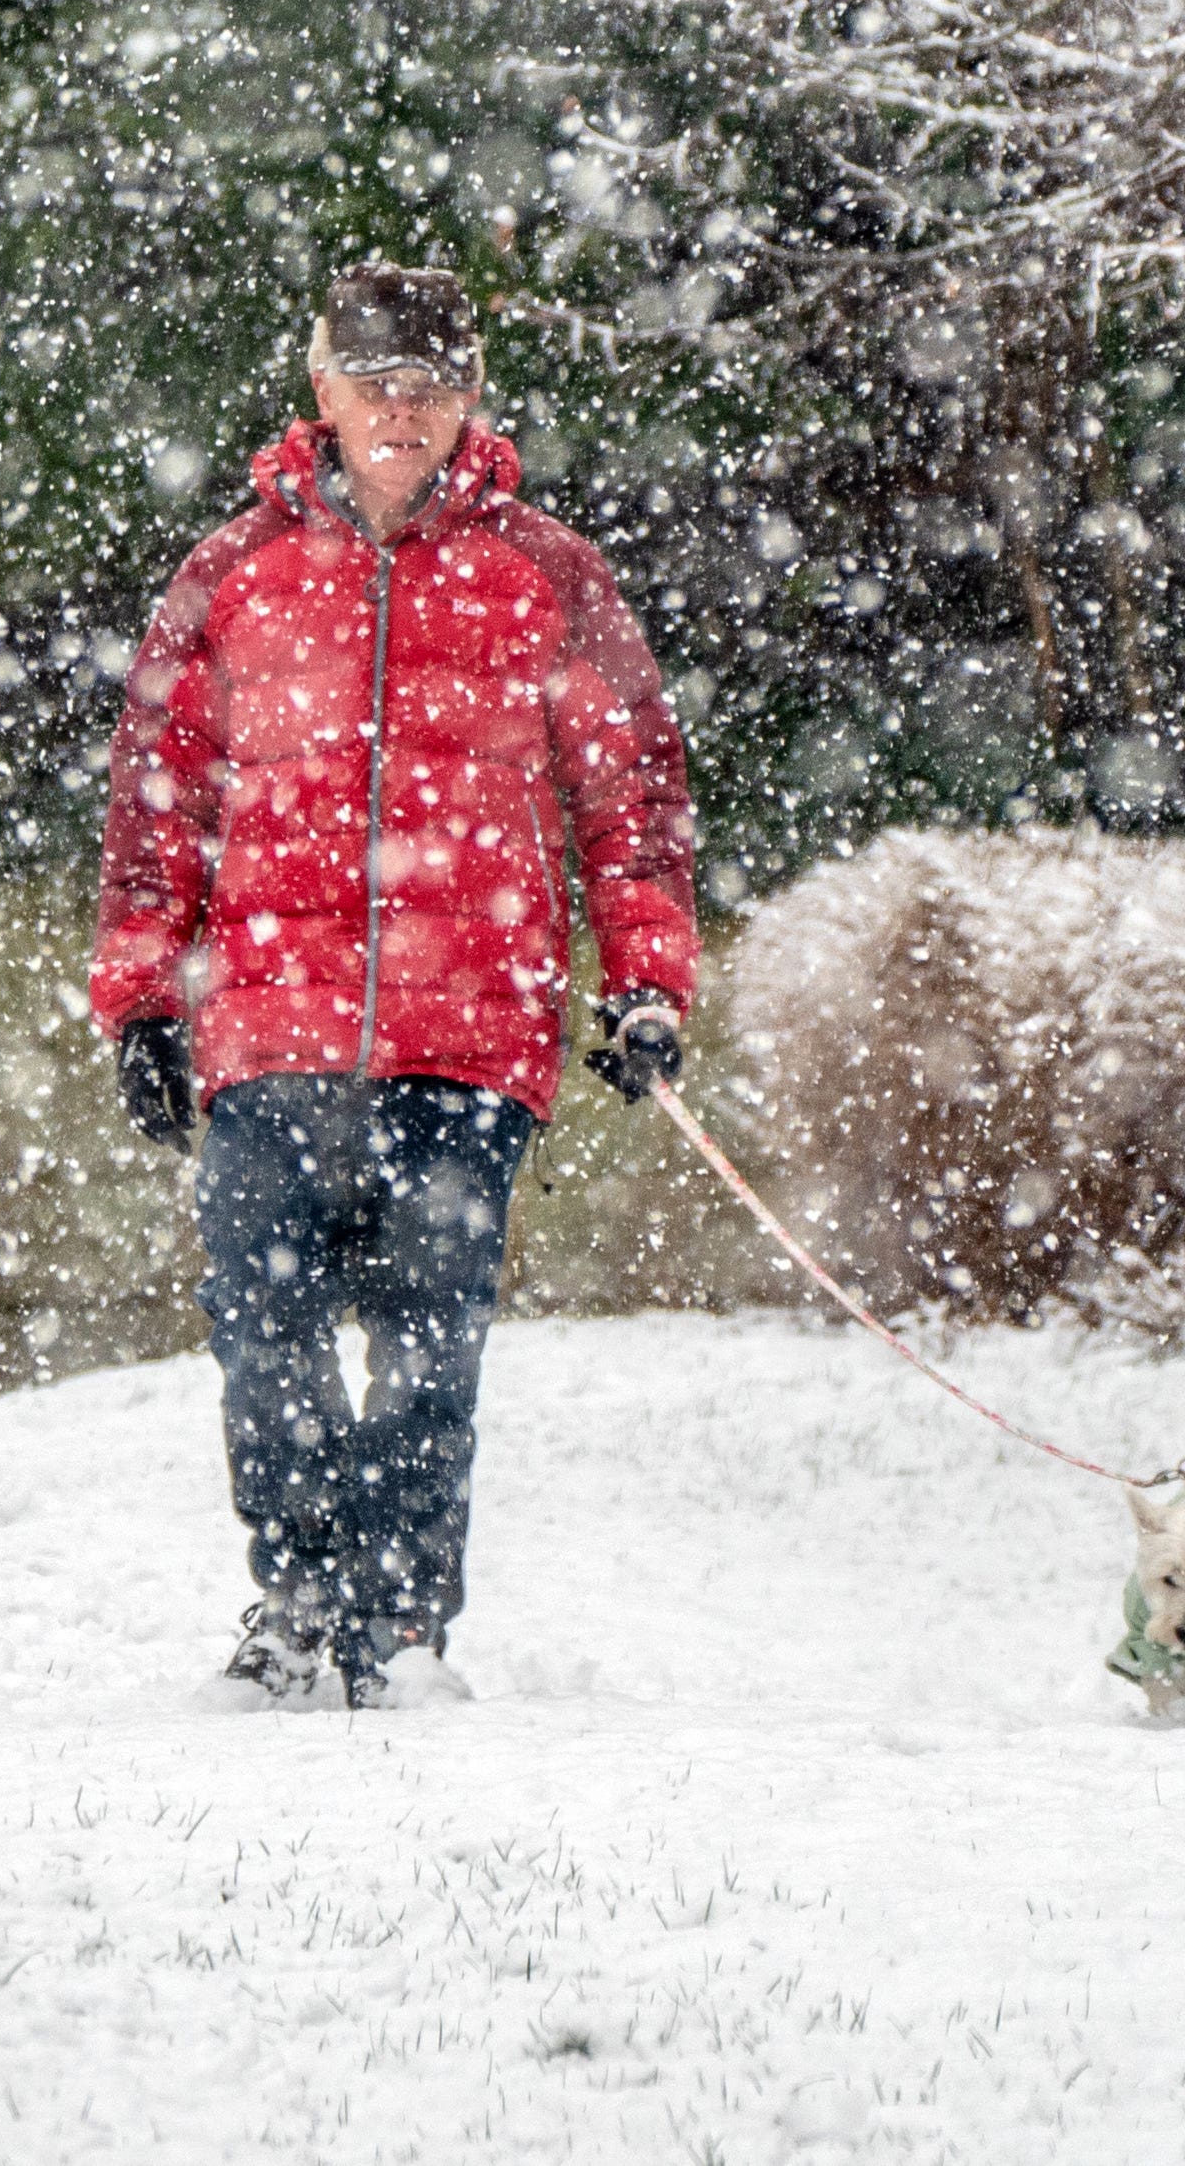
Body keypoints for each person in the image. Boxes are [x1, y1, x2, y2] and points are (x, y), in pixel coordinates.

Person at [86, 262, 702, 1707]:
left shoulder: (550, 574)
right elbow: (156, 805)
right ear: (322, 392)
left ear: (470, 397)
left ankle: (404, 1627)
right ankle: (300, 1608)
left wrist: (649, 980)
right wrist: (139, 999)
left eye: (427, 383)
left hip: (472, 1031)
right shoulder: (230, 573)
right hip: (269, 1025)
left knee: (431, 1357)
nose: (399, 408)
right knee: (269, 1346)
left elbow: (633, 801)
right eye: (373, 382)